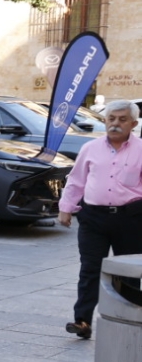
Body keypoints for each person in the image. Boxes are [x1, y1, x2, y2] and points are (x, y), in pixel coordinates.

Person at [57, 99, 142, 340]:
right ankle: (82, 320)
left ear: (133, 124)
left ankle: (130, 319)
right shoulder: (90, 149)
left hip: (131, 218)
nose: (115, 124)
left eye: (122, 119)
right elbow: (76, 180)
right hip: (93, 218)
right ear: (105, 121)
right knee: (90, 269)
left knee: (129, 271)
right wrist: (66, 207)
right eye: (111, 119)